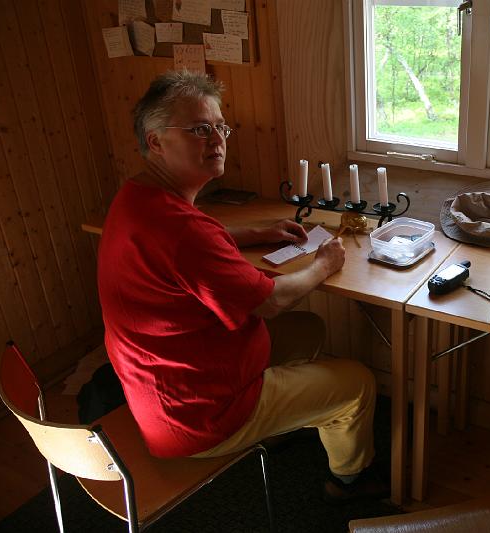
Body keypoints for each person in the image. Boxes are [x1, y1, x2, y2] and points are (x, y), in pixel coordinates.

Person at [97, 70, 386, 503]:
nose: (216, 139)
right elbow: (271, 302)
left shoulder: (136, 199)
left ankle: (289, 418)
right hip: (197, 419)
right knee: (358, 382)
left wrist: (248, 235)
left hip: (161, 390)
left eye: (219, 127)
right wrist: (324, 264)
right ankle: (350, 482)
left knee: (308, 329)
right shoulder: (183, 230)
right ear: (155, 142)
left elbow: (180, 252)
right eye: (198, 129)